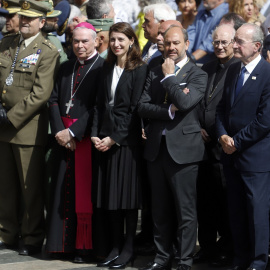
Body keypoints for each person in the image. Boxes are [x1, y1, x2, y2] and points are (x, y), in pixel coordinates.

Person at [138, 25, 207, 270]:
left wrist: (170, 79)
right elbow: (143, 106)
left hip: (185, 151)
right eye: (167, 43)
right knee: (159, 209)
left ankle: (185, 259)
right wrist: (167, 110)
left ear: (187, 45)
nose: (171, 48)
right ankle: (161, 256)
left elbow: (186, 101)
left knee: (185, 210)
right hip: (157, 148)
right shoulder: (154, 71)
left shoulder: (197, 73)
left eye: (176, 43)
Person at [0, 0, 59, 256]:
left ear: (41, 23)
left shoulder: (48, 51)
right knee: (6, 186)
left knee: (30, 188)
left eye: (30, 19)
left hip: (27, 129)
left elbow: (40, 94)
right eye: (22, 17)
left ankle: (33, 236)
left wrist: (10, 117)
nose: (24, 22)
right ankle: (7, 232)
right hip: (3, 129)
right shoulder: (7, 43)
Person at [91, 22, 147, 269]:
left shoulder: (139, 69)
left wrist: (115, 137)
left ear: (131, 41)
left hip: (125, 142)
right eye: (112, 39)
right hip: (103, 138)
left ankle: (128, 248)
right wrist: (94, 134)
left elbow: (135, 110)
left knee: (126, 200)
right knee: (110, 199)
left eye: (121, 40)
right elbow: (98, 104)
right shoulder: (106, 67)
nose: (116, 44)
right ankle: (115, 246)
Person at [46, 22, 104, 263]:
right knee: (61, 191)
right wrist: (60, 131)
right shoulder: (65, 66)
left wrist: (72, 133)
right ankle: (61, 245)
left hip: (85, 140)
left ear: (96, 41)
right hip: (63, 139)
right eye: (75, 41)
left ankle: (83, 247)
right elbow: (53, 100)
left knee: (84, 194)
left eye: (85, 41)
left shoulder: (103, 68)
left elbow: (97, 107)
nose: (79, 45)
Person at [216, 23, 270, 270]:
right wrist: (222, 135)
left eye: (239, 41)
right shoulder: (234, 70)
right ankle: (241, 258)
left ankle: (259, 262)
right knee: (236, 211)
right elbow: (221, 109)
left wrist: (236, 141)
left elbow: (264, 120)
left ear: (256, 46)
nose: (233, 45)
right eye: (233, 40)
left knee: (256, 213)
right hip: (231, 156)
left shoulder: (268, 75)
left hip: (255, 157)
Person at [194, 24, 238, 267]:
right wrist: (196, 126)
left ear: (234, 43)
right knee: (205, 201)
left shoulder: (237, 68)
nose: (220, 47)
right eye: (216, 42)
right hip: (201, 145)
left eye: (225, 42)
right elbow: (196, 100)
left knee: (226, 202)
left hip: (224, 146)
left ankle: (228, 247)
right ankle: (208, 247)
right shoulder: (207, 66)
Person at [187, 0, 229, 64]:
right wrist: (185, 54)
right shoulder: (202, 12)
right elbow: (191, 33)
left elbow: (211, 40)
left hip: (211, 66)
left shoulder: (226, 13)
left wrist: (191, 59)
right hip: (194, 62)